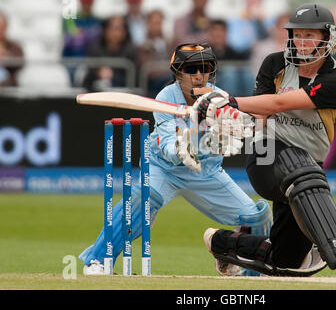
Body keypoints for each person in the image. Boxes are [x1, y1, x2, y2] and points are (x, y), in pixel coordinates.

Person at [194, 4, 336, 277]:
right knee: (295, 162)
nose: (301, 41)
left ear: (328, 37)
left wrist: (231, 101)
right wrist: (235, 117)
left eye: (310, 35)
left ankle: (222, 244)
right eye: (297, 34)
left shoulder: (335, 79)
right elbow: (261, 113)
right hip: (265, 156)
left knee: (287, 261)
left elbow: (278, 102)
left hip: (306, 170)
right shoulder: (274, 64)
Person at [79, 43, 272, 276]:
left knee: (256, 216)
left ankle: (247, 267)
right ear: (178, 73)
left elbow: (241, 125)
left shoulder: (219, 97)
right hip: (164, 168)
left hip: (205, 172)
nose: (199, 76)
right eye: (191, 69)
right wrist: (182, 148)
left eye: (205, 68)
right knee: (143, 200)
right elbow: (167, 142)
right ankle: (98, 260)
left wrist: (242, 127)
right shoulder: (166, 97)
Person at [82, 15, 137, 92]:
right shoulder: (95, 48)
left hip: (123, 94)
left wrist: (113, 76)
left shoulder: (131, 51)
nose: (116, 33)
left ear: (125, 32)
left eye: (119, 29)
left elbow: (134, 79)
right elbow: (87, 77)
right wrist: (98, 73)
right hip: (95, 93)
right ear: (105, 30)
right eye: (113, 29)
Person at [207, 19, 253, 95]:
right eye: (215, 30)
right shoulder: (203, 53)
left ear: (226, 33)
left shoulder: (234, 53)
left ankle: (254, 102)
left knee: (247, 73)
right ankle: (229, 104)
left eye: (221, 31)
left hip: (236, 85)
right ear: (210, 33)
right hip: (213, 86)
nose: (218, 34)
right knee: (230, 73)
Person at [137, 9, 173, 96]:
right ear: (147, 24)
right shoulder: (143, 45)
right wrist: (167, 69)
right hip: (152, 83)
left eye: (159, 23)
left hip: (168, 79)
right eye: (154, 23)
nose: (157, 27)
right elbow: (148, 69)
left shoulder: (169, 42)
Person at [0, 12, 24, 87]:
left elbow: (20, 63)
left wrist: (6, 56)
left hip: (8, 87)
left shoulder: (14, 46)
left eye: (1, 27)